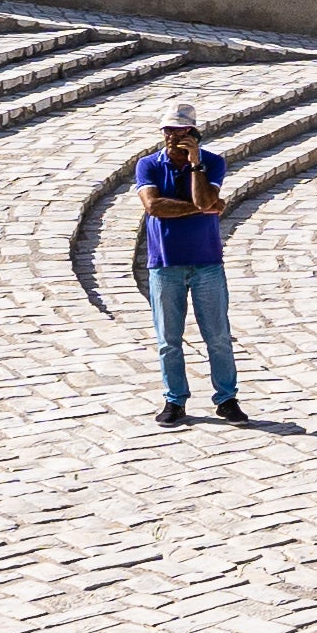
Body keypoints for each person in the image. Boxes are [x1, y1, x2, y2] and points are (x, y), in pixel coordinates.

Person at [128, 101, 247, 425]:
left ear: (193, 132)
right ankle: (174, 400)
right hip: (164, 264)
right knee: (169, 339)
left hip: (206, 262)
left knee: (218, 336)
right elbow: (154, 206)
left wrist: (195, 166)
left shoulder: (212, 163)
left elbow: (204, 198)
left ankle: (226, 399)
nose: (171, 136)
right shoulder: (148, 165)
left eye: (179, 130)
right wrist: (202, 208)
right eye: (167, 130)